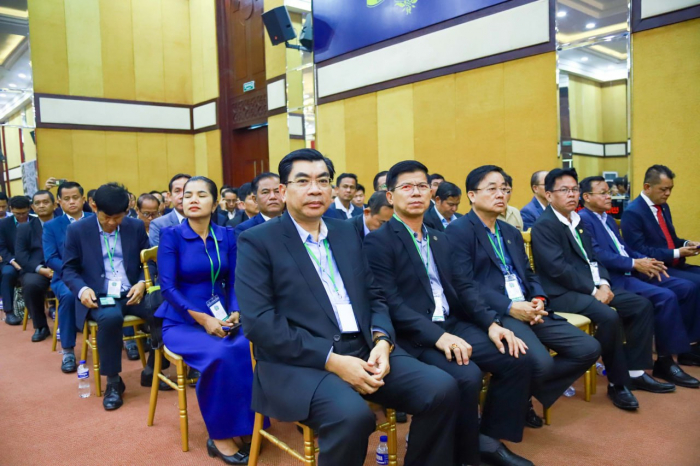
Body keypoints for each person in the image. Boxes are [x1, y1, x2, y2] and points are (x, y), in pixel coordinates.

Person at [236, 149, 459, 466]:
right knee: (352, 416)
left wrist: (382, 341)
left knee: (442, 389)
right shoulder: (257, 241)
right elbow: (259, 323)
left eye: (323, 181)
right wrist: (332, 361)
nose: (315, 190)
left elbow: (374, 294)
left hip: (364, 348)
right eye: (303, 181)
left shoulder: (345, 232)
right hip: (300, 361)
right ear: (284, 191)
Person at [365, 160, 535, 466]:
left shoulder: (439, 237)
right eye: (406, 187)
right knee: (466, 375)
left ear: (430, 193)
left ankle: (486, 440)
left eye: (422, 186)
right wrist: (440, 337)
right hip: (414, 333)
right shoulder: (378, 241)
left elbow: (464, 287)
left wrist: (492, 324)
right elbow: (391, 303)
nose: (416, 192)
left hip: (451, 322)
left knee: (516, 356)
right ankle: (462, 454)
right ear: (390, 196)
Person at [447, 165, 600, 429]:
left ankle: (519, 395)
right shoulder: (458, 231)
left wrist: (539, 298)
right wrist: (510, 306)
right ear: (472, 195)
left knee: (588, 348)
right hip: (497, 311)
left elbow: (528, 273)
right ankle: (505, 412)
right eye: (492, 189)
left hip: (529, 307)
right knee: (540, 363)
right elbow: (465, 284)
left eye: (505, 189)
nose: (501, 195)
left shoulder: (509, 232)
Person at [531, 169, 671, 411]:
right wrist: (592, 290)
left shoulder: (578, 221)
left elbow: (594, 258)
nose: (571, 194)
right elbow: (558, 270)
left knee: (640, 305)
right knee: (609, 316)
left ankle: (635, 372)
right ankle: (618, 383)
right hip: (560, 293)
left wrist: (604, 284)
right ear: (549, 195)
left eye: (574, 189)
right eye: (564, 190)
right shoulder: (545, 225)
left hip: (590, 287)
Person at [156, 176, 257, 464]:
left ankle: (246, 425)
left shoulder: (227, 235)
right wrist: (202, 319)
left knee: (246, 346)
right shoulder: (172, 235)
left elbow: (235, 279)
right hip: (182, 320)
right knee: (220, 355)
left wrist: (235, 310)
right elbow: (168, 288)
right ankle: (220, 436)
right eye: (188, 195)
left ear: (215, 203)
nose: (193, 199)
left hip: (222, 317)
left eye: (201, 195)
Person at [579, 176, 700, 387]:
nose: (609, 196)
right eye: (603, 193)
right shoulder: (583, 220)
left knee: (684, 287)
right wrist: (635, 263)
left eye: (609, 192)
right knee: (665, 297)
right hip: (614, 277)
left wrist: (647, 260)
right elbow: (598, 254)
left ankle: (685, 350)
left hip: (631, 270)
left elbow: (624, 248)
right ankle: (665, 361)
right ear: (587, 197)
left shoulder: (607, 219)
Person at [62, 183, 166, 411]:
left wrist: (142, 282)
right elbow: (68, 269)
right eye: (106, 217)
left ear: (127, 211)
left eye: (117, 218)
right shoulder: (77, 230)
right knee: (110, 318)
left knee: (164, 308)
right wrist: (82, 289)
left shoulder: (134, 226)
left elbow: (148, 261)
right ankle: (113, 382)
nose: (111, 223)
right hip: (99, 294)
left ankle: (153, 368)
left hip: (133, 291)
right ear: (94, 207)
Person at [43, 181, 94, 373]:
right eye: (66, 199)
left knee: (118, 288)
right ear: (59, 201)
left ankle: (128, 340)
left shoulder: (95, 219)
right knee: (69, 295)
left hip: (96, 274)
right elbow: (50, 258)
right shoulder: (52, 226)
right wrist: (73, 272)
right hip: (65, 277)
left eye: (75, 198)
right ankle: (68, 351)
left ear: (83, 199)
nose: (71, 202)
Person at [622, 165, 700, 285]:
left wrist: (687, 244)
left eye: (670, 189)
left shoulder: (663, 206)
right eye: (663, 189)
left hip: (675, 264)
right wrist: (678, 252)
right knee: (694, 284)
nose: (668, 193)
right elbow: (638, 250)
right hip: (655, 268)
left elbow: (669, 240)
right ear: (647, 187)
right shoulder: (632, 212)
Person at [16, 190, 56, 341]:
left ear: (54, 205)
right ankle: (41, 326)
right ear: (32, 207)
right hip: (37, 269)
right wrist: (41, 270)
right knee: (31, 285)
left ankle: (78, 323)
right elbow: (21, 255)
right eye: (37, 203)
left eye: (45, 202)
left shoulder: (64, 224)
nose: (41, 206)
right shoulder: (25, 228)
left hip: (62, 267)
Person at [0, 196, 32, 325]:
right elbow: (2, 248)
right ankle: (9, 312)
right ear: (11, 209)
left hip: (32, 260)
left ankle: (50, 306)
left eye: (24, 213)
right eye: (17, 214)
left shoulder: (35, 221)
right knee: (7, 273)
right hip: (11, 260)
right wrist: (14, 262)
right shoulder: (3, 224)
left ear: (29, 208)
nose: (21, 216)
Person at [233, 173, 283, 240]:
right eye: (265, 192)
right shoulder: (245, 230)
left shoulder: (294, 222)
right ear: (255, 199)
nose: (272, 197)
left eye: (277, 191)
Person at [149, 174, 191, 247]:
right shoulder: (158, 225)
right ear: (170, 196)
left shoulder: (204, 221)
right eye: (177, 191)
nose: (182, 196)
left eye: (187, 191)